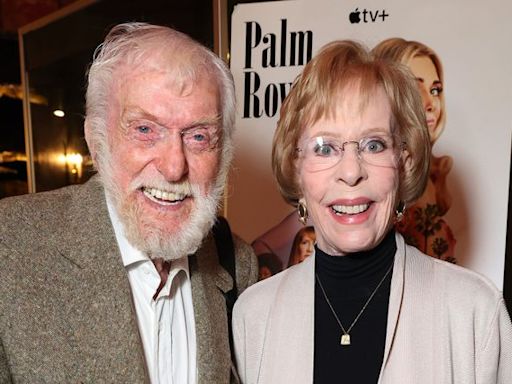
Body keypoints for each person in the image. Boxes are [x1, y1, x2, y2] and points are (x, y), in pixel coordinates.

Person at [232, 40, 512, 383]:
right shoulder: (253, 315)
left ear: (404, 163)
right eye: (325, 148)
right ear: (296, 168)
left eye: (374, 144)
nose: (351, 172)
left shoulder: (474, 310)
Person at [0, 22, 258, 383]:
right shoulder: (10, 248)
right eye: (145, 130)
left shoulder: (236, 264)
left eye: (199, 136)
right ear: (96, 138)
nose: (173, 167)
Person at [373, 38, 456, 262]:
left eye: (435, 89)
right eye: (415, 88)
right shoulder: (362, 181)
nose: (431, 103)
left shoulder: (433, 178)